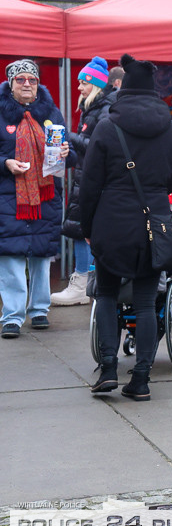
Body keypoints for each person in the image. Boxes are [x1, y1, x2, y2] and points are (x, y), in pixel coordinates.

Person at [79, 54, 172, 399]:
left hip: (112, 221)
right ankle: (141, 380)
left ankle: (109, 368)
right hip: (154, 221)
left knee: (107, 293)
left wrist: (87, 224)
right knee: (144, 300)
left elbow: (90, 182)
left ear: (123, 89)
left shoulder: (108, 126)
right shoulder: (171, 129)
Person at [0, 59, 74, 338]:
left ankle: (39, 310)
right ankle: (12, 316)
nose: (27, 84)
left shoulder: (52, 112)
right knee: (10, 257)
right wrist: (5, 162)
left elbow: (67, 153)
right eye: (20, 80)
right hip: (8, 197)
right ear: (11, 84)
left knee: (42, 255)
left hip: (45, 195)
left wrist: (68, 152)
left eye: (32, 79)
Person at [54, 58, 121, 306]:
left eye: (84, 83)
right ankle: (88, 284)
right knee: (83, 230)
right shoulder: (95, 109)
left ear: (95, 85)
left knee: (83, 230)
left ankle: (84, 284)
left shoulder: (103, 110)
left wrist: (68, 136)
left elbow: (97, 147)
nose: (79, 87)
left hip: (95, 181)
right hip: (88, 178)